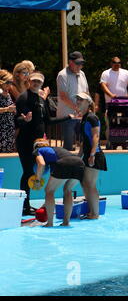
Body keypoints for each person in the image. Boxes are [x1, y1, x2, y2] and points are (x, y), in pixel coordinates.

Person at [15, 71, 76, 215]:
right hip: (25, 142)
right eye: (34, 81)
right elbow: (17, 120)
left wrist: (68, 117)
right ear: (29, 81)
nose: (36, 83)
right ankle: (24, 206)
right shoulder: (23, 98)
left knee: (35, 172)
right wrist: (25, 120)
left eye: (39, 82)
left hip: (39, 144)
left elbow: (47, 121)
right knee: (28, 172)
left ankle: (27, 205)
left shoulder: (41, 99)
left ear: (42, 83)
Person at [31, 139, 85, 227]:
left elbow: (41, 164)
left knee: (49, 191)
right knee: (68, 190)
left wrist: (37, 180)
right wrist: (46, 204)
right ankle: (66, 222)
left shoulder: (38, 151)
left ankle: (50, 223)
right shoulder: (55, 150)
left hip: (65, 163)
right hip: (79, 164)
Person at [77, 92, 108, 219]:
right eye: (77, 99)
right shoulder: (84, 118)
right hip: (88, 154)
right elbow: (85, 140)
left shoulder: (92, 117)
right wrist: (78, 156)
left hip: (95, 154)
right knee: (85, 183)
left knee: (90, 184)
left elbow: (96, 136)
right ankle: (91, 211)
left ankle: (95, 213)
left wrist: (92, 154)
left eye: (81, 99)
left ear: (88, 103)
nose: (78, 101)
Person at [56, 51, 89, 151]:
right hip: (68, 116)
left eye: (81, 64)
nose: (80, 66)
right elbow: (63, 97)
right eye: (77, 63)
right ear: (70, 62)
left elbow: (86, 92)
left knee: (85, 144)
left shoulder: (82, 74)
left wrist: (87, 108)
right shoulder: (62, 75)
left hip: (81, 115)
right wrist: (78, 108)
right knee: (69, 147)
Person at [100, 57, 128, 148]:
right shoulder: (106, 73)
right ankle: (109, 141)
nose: (117, 64)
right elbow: (103, 85)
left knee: (127, 121)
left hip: (124, 103)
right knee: (110, 123)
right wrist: (111, 94)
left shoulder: (126, 72)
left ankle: (127, 141)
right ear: (111, 63)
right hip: (111, 103)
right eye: (115, 63)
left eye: (119, 63)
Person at [0, 70, 16, 153]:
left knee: (8, 152)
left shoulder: (8, 94)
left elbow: (10, 107)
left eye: (11, 82)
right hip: (1, 128)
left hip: (9, 128)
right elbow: (7, 108)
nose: (10, 85)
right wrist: (6, 109)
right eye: (8, 82)